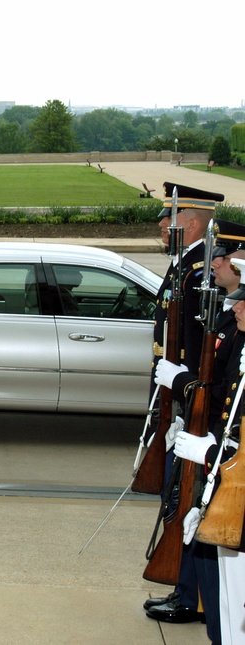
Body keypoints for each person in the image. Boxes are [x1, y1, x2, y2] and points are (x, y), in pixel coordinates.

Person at [144, 184, 221, 627]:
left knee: (187, 497)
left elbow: (195, 348)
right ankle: (186, 590)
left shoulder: (196, 272)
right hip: (179, 400)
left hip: (190, 403)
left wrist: (185, 395)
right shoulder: (186, 267)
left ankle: (190, 595)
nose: (161, 226)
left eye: (168, 218)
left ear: (191, 222)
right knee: (179, 495)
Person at [176, 256, 245, 644]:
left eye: (244, 300)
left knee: (235, 594)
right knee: (228, 592)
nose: (235, 305)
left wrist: (210, 452)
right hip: (229, 476)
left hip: (236, 483)